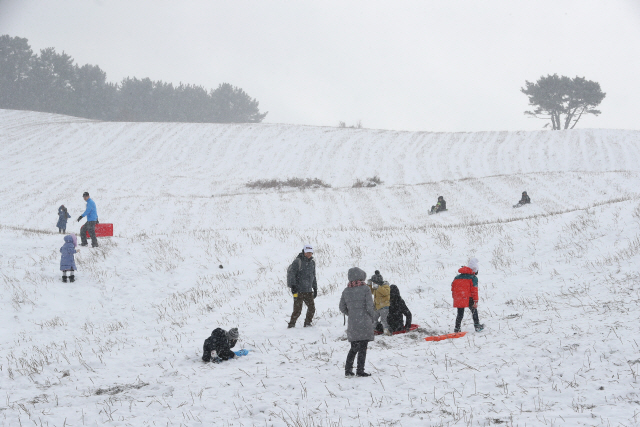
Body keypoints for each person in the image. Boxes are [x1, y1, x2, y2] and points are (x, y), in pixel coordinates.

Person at [339, 267, 375, 377]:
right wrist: (372, 317)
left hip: (353, 322)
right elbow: (370, 306)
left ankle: (348, 370)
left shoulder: (346, 290)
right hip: (364, 321)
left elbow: (342, 307)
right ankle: (360, 370)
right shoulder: (365, 289)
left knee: (353, 347)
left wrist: (352, 313)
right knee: (363, 347)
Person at [287, 244, 318, 328]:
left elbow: (313, 276)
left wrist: (315, 288)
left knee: (312, 308)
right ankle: (291, 325)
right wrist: (293, 286)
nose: (308, 254)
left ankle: (307, 323)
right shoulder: (298, 261)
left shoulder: (312, 263)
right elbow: (292, 274)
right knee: (297, 310)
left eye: (310, 253)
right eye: (307, 252)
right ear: (304, 252)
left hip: (308, 290)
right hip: (298, 290)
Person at [451, 257, 484, 332]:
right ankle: (477, 326)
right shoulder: (473, 278)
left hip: (459, 297)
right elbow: (474, 290)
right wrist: (475, 301)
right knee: (474, 311)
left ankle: (457, 328)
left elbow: (453, 288)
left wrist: (455, 297)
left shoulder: (457, 277)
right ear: (475, 270)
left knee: (460, 313)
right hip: (469, 298)